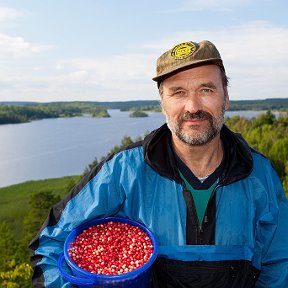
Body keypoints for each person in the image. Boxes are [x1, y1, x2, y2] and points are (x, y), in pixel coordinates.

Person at [29, 40, 288, 287]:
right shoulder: (124, 170)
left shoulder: (260, 174)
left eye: (206, 89)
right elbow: (50, 245)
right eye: (178, 92)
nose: (193, 106)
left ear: (226, 97)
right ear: (163, 104)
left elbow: (280, 262)